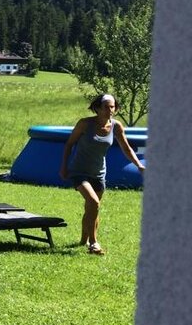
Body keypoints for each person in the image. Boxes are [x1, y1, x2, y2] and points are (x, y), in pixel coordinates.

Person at [59, 93, 145, 255]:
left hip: (99, 173)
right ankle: (94, 243)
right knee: (94, 202)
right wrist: (64, 167)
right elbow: (69, 144)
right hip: (79, 171)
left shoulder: (116, 126)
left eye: (112, 107)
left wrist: (139, 165)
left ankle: (83, 240)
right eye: (106, 107)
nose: (109, 110)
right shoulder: (85, 124)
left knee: (91, 208)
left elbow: (126, 148)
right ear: (97, 108)